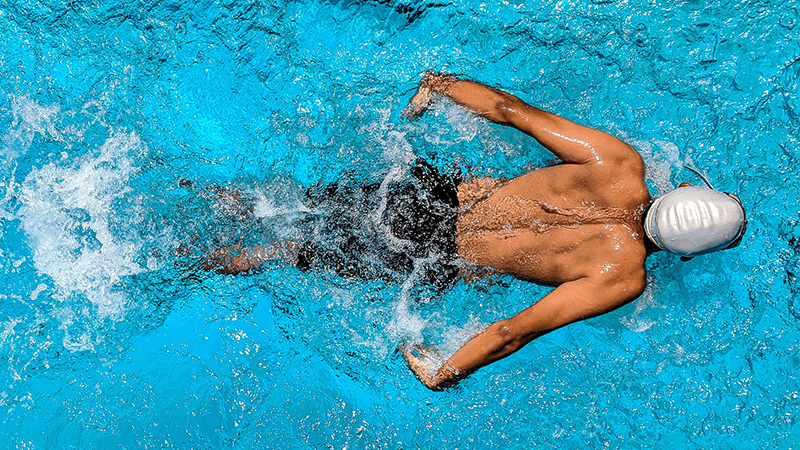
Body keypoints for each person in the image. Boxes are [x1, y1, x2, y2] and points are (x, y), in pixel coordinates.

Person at [204, 72, 747, 390]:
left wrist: (442, 86)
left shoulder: (619, 164)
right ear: (687, 254)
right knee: (284, 252)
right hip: (426, 255)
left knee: (281, 205)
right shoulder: (622, 276)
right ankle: (186, 260)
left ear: (683, 189)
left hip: (424, 195)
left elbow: (512, 111)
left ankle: (195, 195)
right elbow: (515, 330)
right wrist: (445, 371)